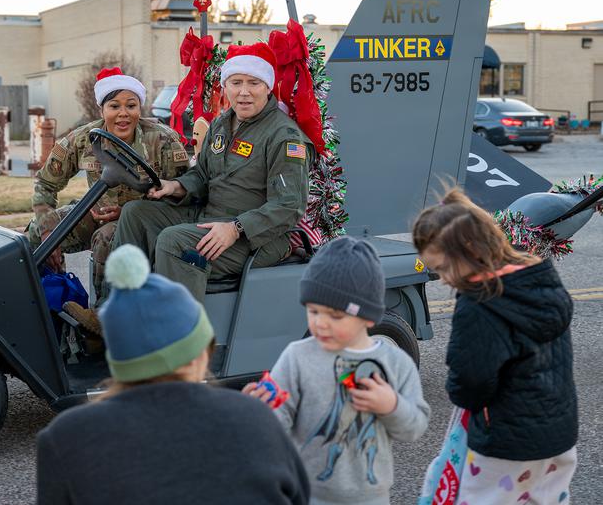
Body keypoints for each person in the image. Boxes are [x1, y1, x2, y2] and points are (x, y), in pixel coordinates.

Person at [36, 245, 310, 504]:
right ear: (201, 353)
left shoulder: (64, 439)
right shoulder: (256, 419)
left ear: (118, 360)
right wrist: (246, 414)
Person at [112, 42, 311, 303]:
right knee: (136, 214)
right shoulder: (221, 124)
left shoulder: (284, 137)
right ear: (226, 86)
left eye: (254, 83)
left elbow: (289, 206)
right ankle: (117, 309)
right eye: (236, 82)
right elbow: (203, 176)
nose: (244, 92)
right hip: (212, 216)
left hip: (259, 236)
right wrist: (175, 186)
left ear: (268, 86)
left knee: (175, 242)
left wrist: (236, 228)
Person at [413, 188, 577, 503]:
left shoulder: (479, 302)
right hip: (559, 438)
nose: (444, 279)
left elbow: (472, 379)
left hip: (506, 441)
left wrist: (460, 393)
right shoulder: (538, 277)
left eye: (445, 267)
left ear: (470, 250)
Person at [244, 236, 430, 505]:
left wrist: (391, 406)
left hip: (371, 497)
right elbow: (279, 421)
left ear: (367, 316)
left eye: (335, 316)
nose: (321, 324)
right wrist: (261, 411)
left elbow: (415, 427)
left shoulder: (394, 362)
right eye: (313, 311)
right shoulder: (297, 357)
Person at [28, 67, 189, 331]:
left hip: (142, 221)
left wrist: (128, 211)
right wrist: (48, 232)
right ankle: (47, 305)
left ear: (140, 108)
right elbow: (45, 183)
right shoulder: (83, 139)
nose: (123, 113)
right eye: (114, 105)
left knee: (107, 236)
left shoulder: (162, 140)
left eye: (131, 105)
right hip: (94, 212)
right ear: (102, 109)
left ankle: (103, 319)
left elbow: (182, 195)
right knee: (36, 234)